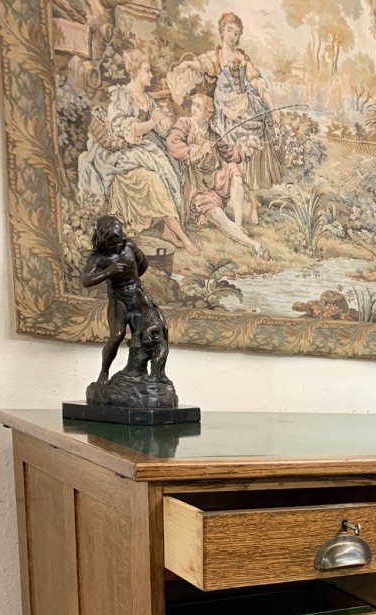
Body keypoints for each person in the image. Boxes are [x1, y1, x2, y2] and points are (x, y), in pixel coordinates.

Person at [78, 51, 197, 255]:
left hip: (146, 149)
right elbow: (119, 129)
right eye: (147, 70)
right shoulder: (121, 94)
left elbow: (158, 129)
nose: (150, 75)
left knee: (175, 167)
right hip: (124, 152)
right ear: (135, 71)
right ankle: (185, 239)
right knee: (154, 180)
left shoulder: (148, 99)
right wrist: (151, 122)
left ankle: (169, 231)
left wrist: (162, 122)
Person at [166, 94, 270, 259]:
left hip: (215, 185)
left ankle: (238, 224)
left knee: (234, 169)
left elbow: (231, 154)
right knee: (219, 217)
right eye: (193, 104)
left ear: (207, 114)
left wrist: (247, 144)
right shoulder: (184, 125)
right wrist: (197, 151)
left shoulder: (213, 135)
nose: (193, 109)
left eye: (198, 107)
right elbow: (172, 144)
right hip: (197, 192)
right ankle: (255, 246)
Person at [81, 215, 172, 387]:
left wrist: (134, 281)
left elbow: (143, 264)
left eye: (119, 240)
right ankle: (104, 372)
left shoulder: (128, 245)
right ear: (104, 239)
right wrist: (110, 271)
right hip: (118, 299)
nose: (118, 246)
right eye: (113, 243)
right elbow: (86, 280)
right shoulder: (98, 258)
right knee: (117, 335)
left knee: (162, 328)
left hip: (137, 294)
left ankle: (158, 373)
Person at [197, 12, 283, 193]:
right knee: (229, 137)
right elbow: (197, 67)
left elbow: (259, 86)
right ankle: (231, 185)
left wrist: (273, 109)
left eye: (236, 33)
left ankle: (251, 190)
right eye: (229, 31)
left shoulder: (243, 58)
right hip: (224, 110)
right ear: (222, 30)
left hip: (245, 105)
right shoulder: (215, 57)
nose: (232, 36)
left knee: (257, 125)